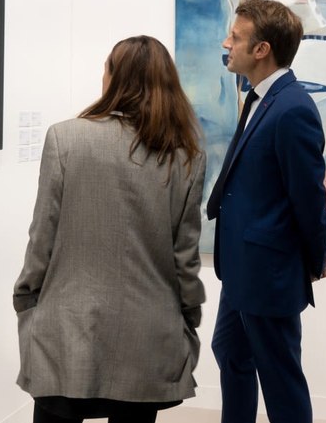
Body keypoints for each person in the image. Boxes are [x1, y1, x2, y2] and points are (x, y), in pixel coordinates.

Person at [13, 35, 207, 423]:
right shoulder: (186, 156)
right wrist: (188, 316)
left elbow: (42, 237)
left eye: (106, 68)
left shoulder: (65, 138)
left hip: (67, 329)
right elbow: (184, 257)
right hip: (148, 333)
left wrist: (27, 298)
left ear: (115, 79)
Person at [206, 0, 326, 423]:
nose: (226, 43)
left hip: (269, 271)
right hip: (244, 266)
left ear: (262, 50)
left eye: (236, 38)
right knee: (230, 351)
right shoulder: (262, 99)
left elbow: (309, 196)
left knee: (280, 378)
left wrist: (313, 260)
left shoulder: (292, 108)